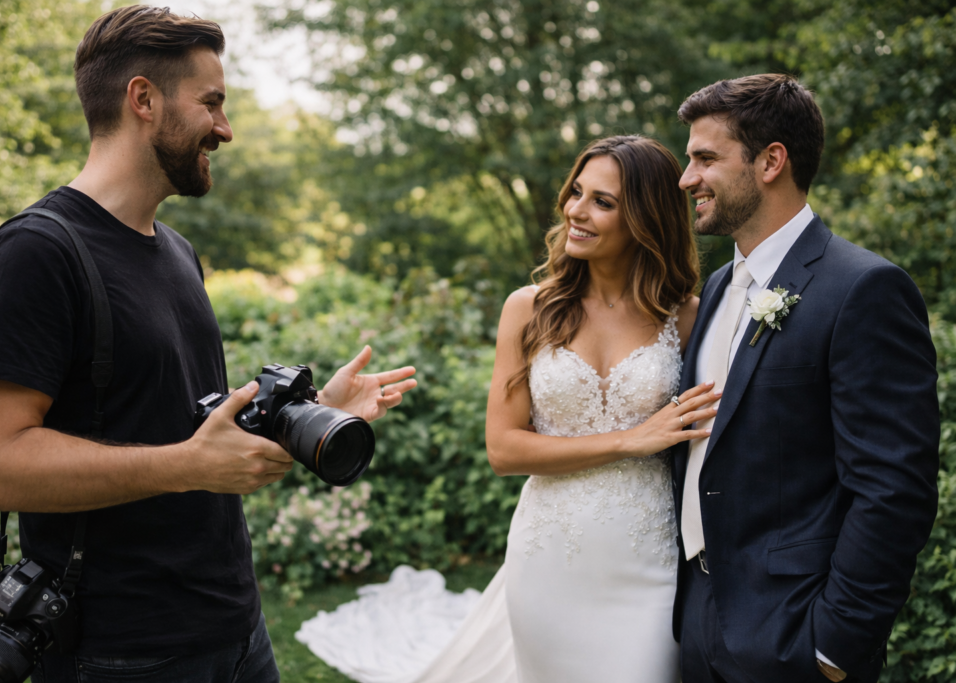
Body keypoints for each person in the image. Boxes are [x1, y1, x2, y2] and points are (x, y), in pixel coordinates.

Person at [0, 6, 415, 682]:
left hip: (235, 628)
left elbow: (178, 424)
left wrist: (309, 412)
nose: (225, 129)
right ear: (143, 98)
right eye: (212, 103)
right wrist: (186, 466)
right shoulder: (35, 254)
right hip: (122, 652)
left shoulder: (175, 251)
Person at [294, 135, 719, 683]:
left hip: (648, 559)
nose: (576, 211)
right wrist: (630, 439)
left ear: (646, 217)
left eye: (602, 202)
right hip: (549, 557)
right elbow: (504, 448)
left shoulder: (685, 316)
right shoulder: (530, 309)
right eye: (576, 193)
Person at [670, 74, 939, 683]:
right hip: (697, 623)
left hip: (794, 636)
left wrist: (835, 647)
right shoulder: (715, 289)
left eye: (705, 158)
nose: (688, 179)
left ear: (770, 161)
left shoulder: (863, 289)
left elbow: (894, 487)